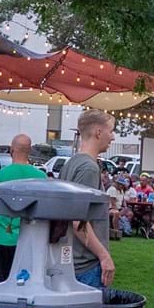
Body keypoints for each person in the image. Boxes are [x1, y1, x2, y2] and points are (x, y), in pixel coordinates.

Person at [59, 109, 119, 289]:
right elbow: (78, 222)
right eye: (111, 131)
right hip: (85, 265)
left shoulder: (71, 163)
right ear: (98, 133)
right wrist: (104, 256)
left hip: (70, 261)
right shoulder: (88, 168)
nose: (113, 137)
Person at [0, 133, 46, 286]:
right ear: (29, 151)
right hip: (30, 241)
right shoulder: (41, 178)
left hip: (1, 237)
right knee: (25, 284)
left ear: (11, 150)